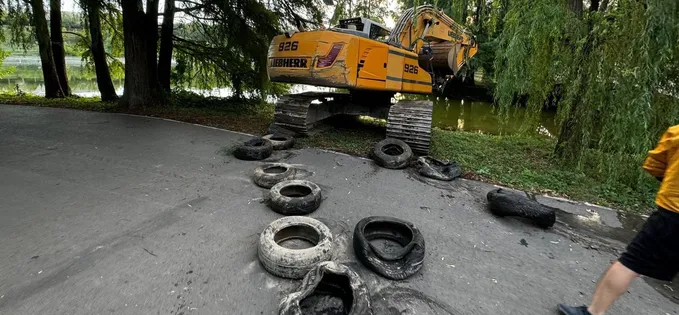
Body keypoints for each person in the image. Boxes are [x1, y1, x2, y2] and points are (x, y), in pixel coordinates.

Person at [558, 125, 679, 315]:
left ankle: (593, 312)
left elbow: (654, 166)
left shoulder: (677, 133)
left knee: (631, 263)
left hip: (673, 215)